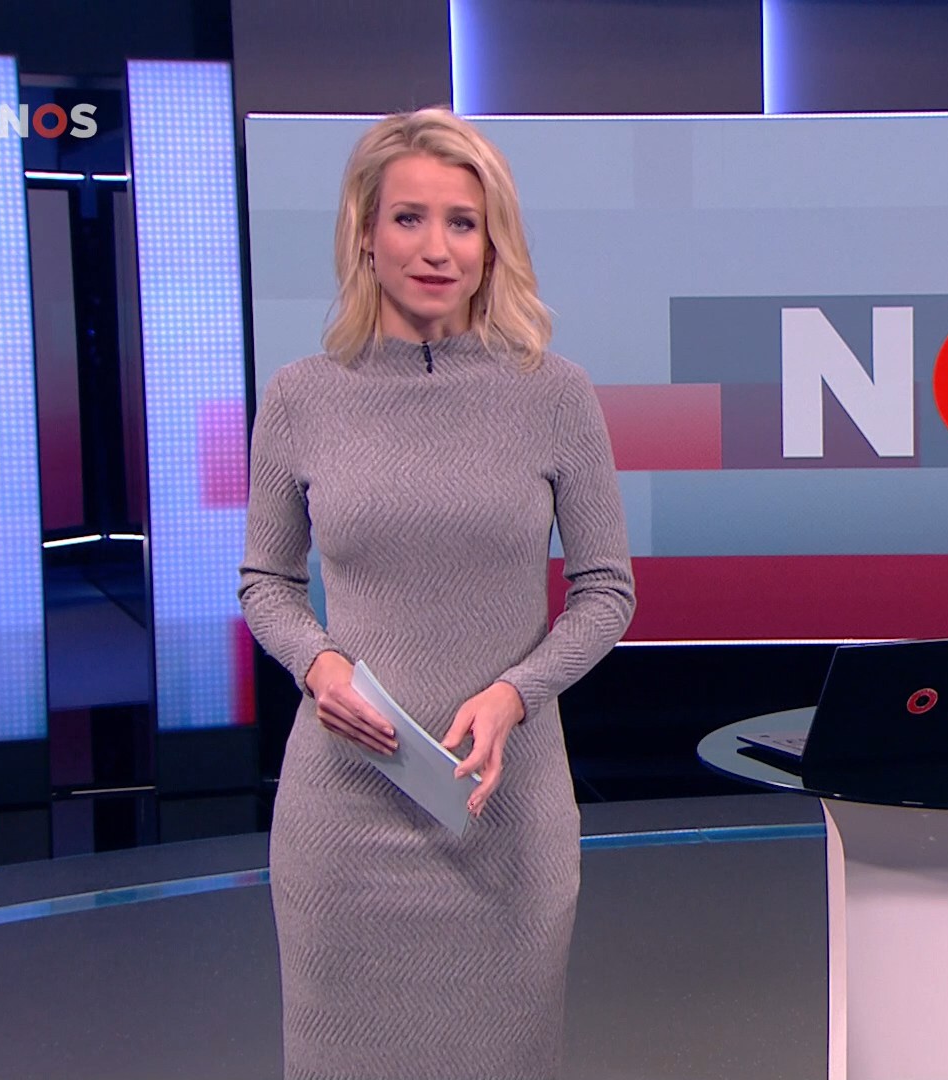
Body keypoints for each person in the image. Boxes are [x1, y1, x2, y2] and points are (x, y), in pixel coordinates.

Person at [239, 106, 636, 1080]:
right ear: (364, 234)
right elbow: (267, 581)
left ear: (493, 243)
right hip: (344, 816)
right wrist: (318, 663)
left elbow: (605, 591)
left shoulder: (554, 393)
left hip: (506, 813)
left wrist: (514, 696)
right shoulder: (300, 396)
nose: (436, 248)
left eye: (463, 222)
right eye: (409, 218)